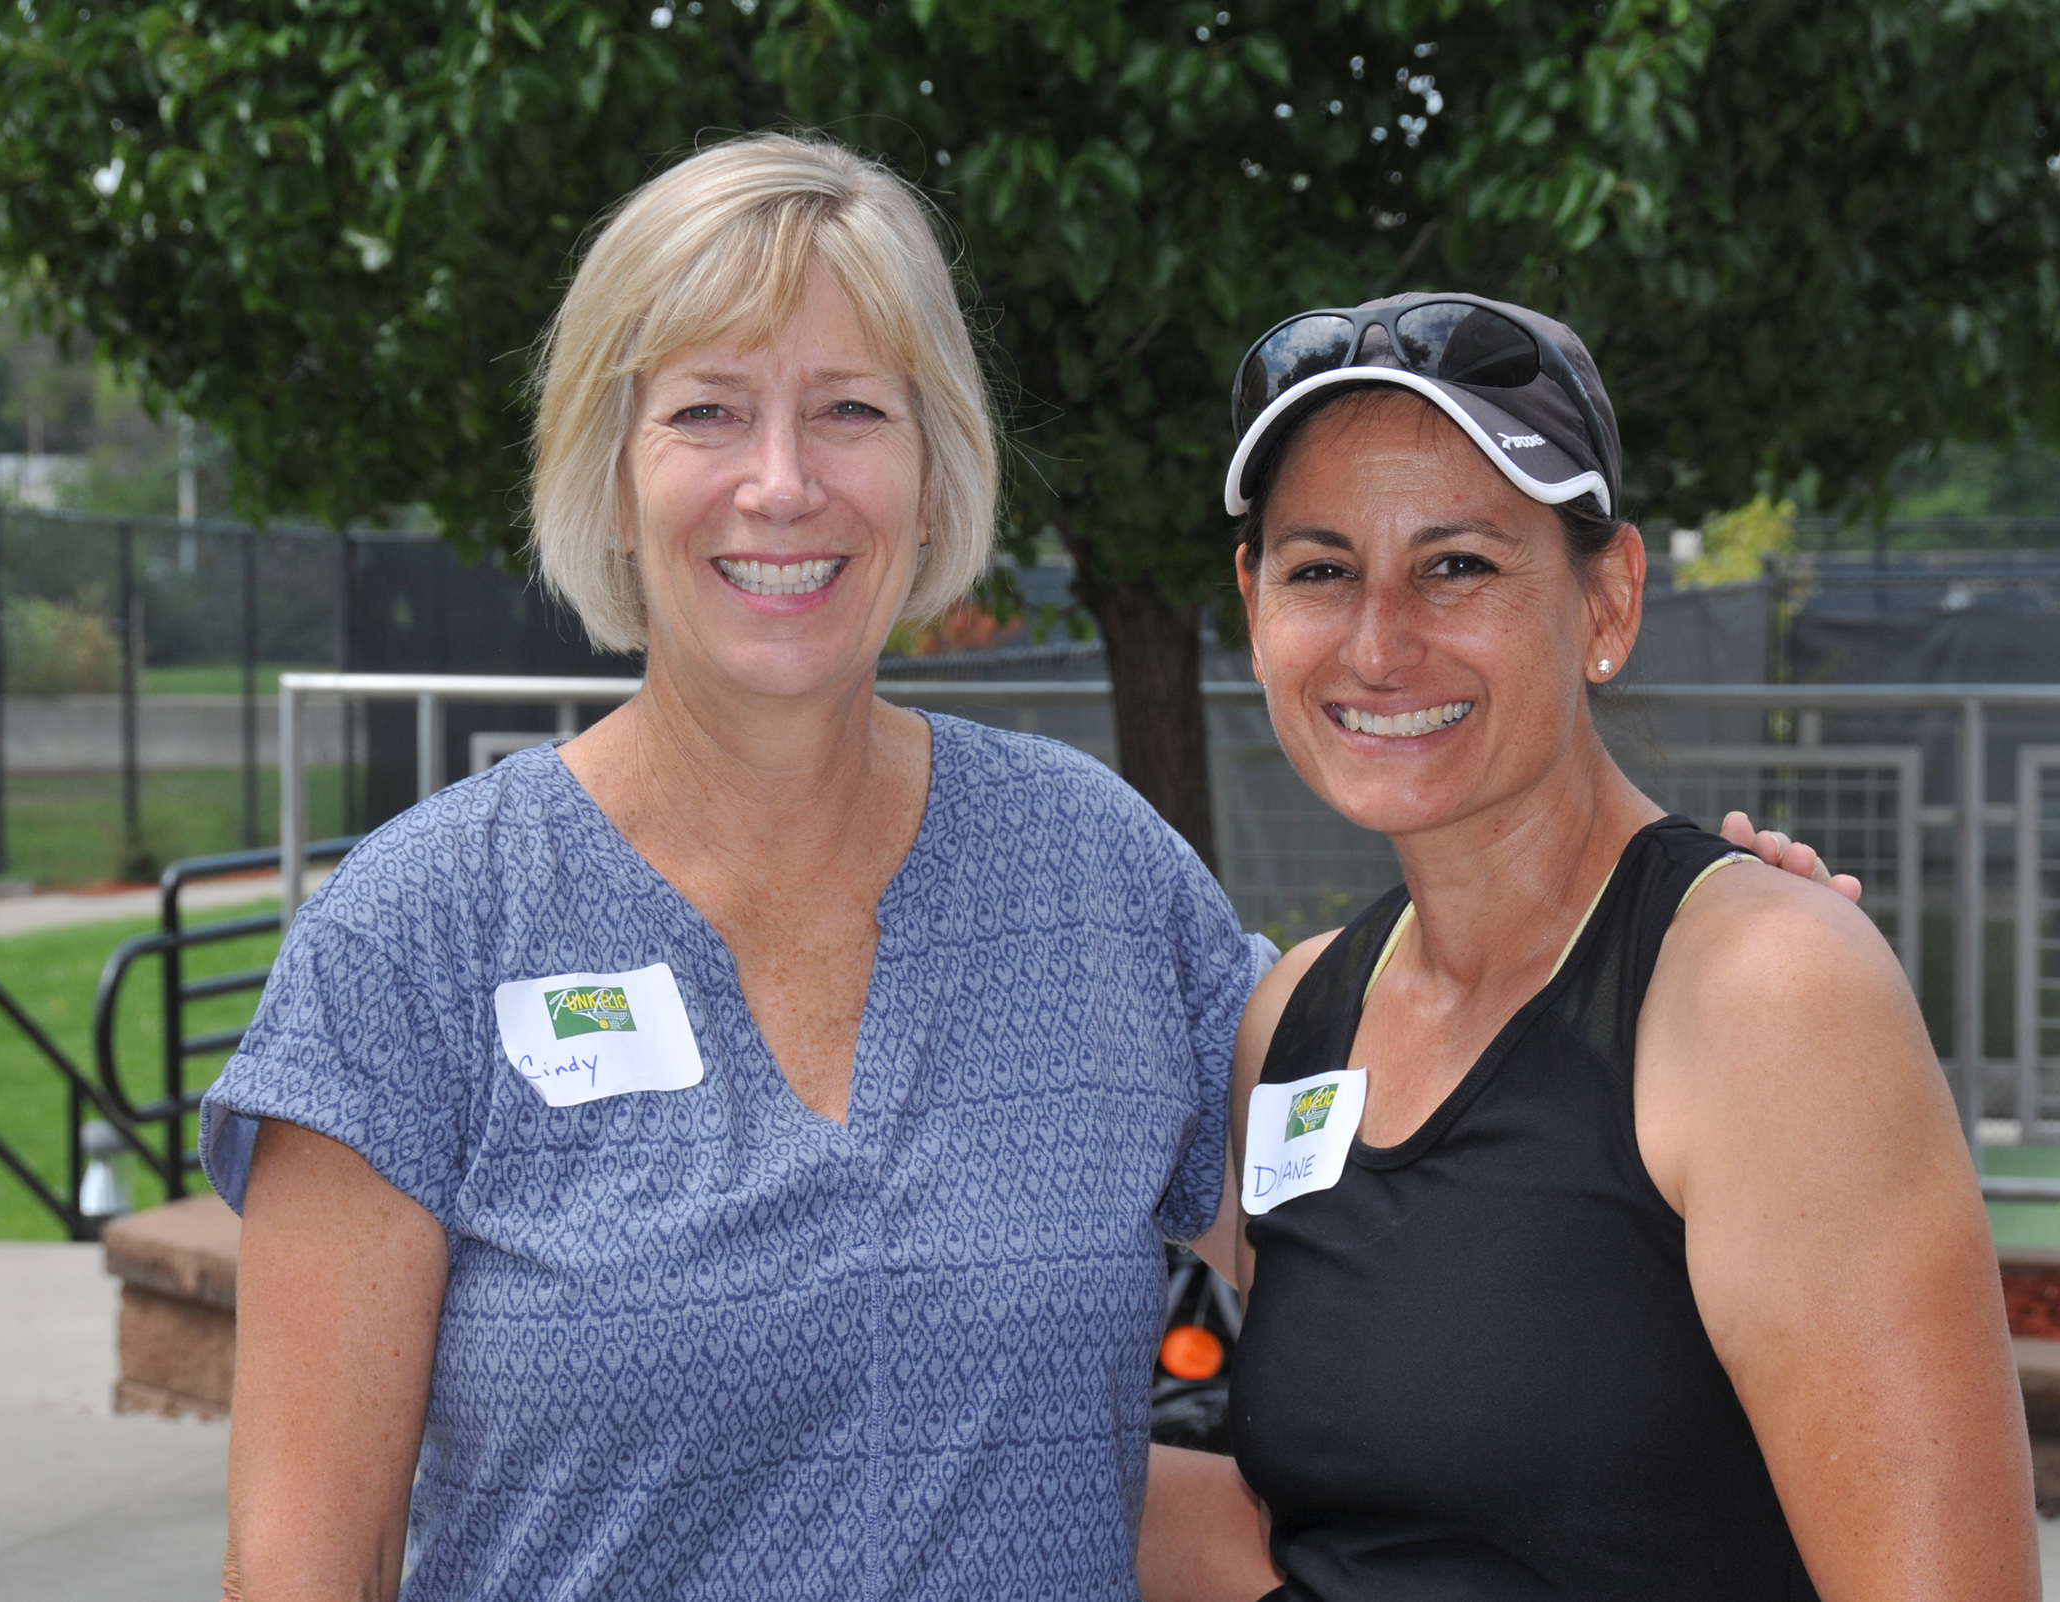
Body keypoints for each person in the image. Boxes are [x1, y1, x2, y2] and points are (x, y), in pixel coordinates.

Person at [202, 133, 1275, 1600]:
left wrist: (1655, 952)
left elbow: (1416, 1217)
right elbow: (304, 1568)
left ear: (931, 457)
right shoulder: (421, 935)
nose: (782, 483)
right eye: (709, 410)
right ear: (613, 465)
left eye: (849, 409)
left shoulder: (1093, 874)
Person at [1147, 294, 2037, 1600]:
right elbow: (1336, 1512)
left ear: (1607, 596)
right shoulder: (1292, 1019)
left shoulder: (1762, 997)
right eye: (1322, 569)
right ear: (1254, 603)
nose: (1380, 642)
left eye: (1458, 564)